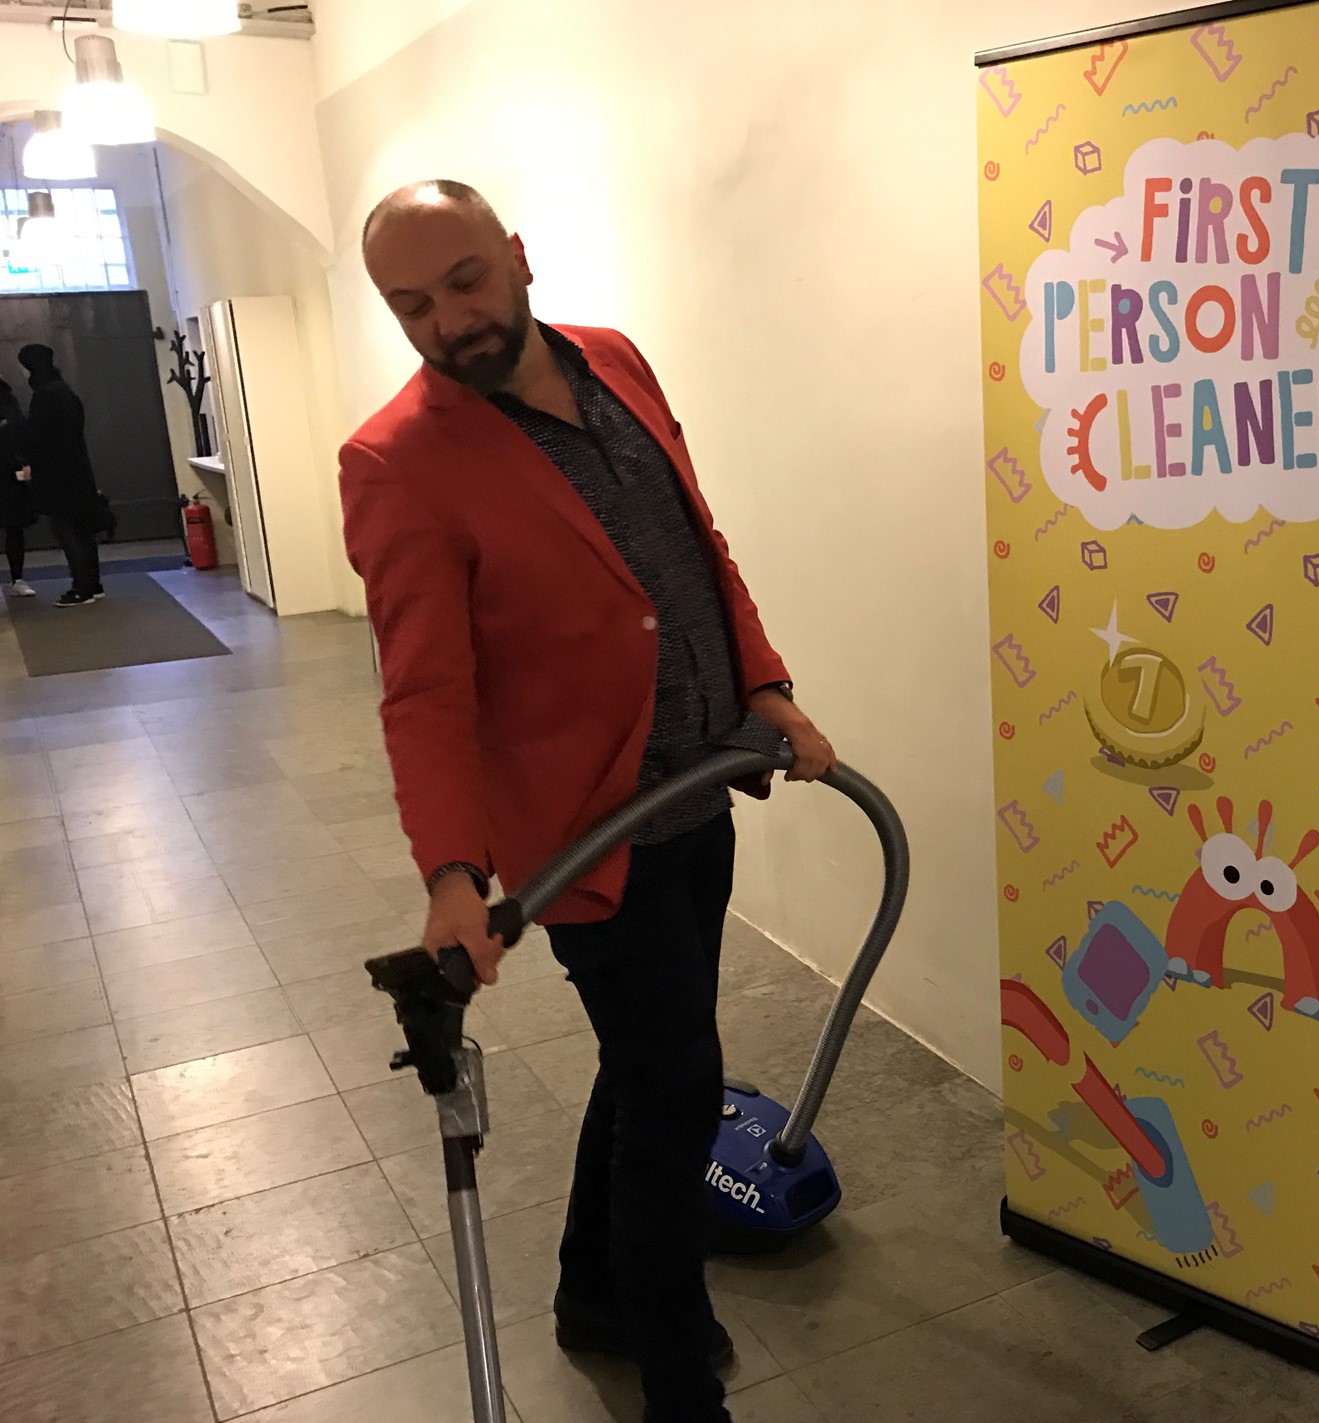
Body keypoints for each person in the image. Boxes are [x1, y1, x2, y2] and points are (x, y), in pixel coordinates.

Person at [339, 180, 834, 1423]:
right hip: (586, 835)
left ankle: (594, 1293)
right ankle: (676, 1382)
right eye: (412, 305)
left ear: (516, 255)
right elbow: (426, 692)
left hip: (706, 783)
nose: (449, 320)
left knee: (649, 1063)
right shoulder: (396, 462)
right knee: (675, 1088)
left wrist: (766, 687)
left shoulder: (613, 359)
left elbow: (697, 547)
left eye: (465, 280)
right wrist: (453, 872)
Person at [17, 344, 104, 606]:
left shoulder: (44, 395)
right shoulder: (65, 391)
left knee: (65, 529)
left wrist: (23, 453)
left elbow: (36, 435)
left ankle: (81, 588)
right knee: (83, 530)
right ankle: (93, 584)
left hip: (57, 475)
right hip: (77, 470)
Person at [0, 378, 37, 597]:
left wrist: (24, 461)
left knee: (14, 527)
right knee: (13, 527)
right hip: (9, 471)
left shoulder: (6, 398)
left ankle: (17, 577)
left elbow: (19, 431)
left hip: (8, 473)